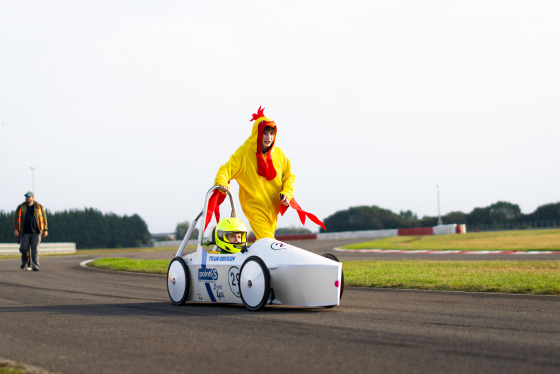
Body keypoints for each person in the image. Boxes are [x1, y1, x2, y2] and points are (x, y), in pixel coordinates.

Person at [213, 106, 296, 240]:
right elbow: (225, 170)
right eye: (265, 133)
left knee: (265, 240)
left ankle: (258, 259)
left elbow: (288, 177)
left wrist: (287, 193)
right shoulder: (244, 153)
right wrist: (222, 182)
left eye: (271, 133)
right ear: (257, 132)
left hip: (272, 207)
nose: (269, 137)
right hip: (254, 205)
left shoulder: (279, 154)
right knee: (268, 239)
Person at [13, 191, 48, 271]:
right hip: (24, 232)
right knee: (24, 248)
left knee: (35, 249)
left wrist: (45, 229)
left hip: (36, 232)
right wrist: (16, 229)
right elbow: (16, 219)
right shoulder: (21, 207)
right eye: (26, 196)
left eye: (28, 196)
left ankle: (35, 265)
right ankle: (25, 261)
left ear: (32, 198)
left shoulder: (38, 206)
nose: (27, 198)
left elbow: (44, 218)